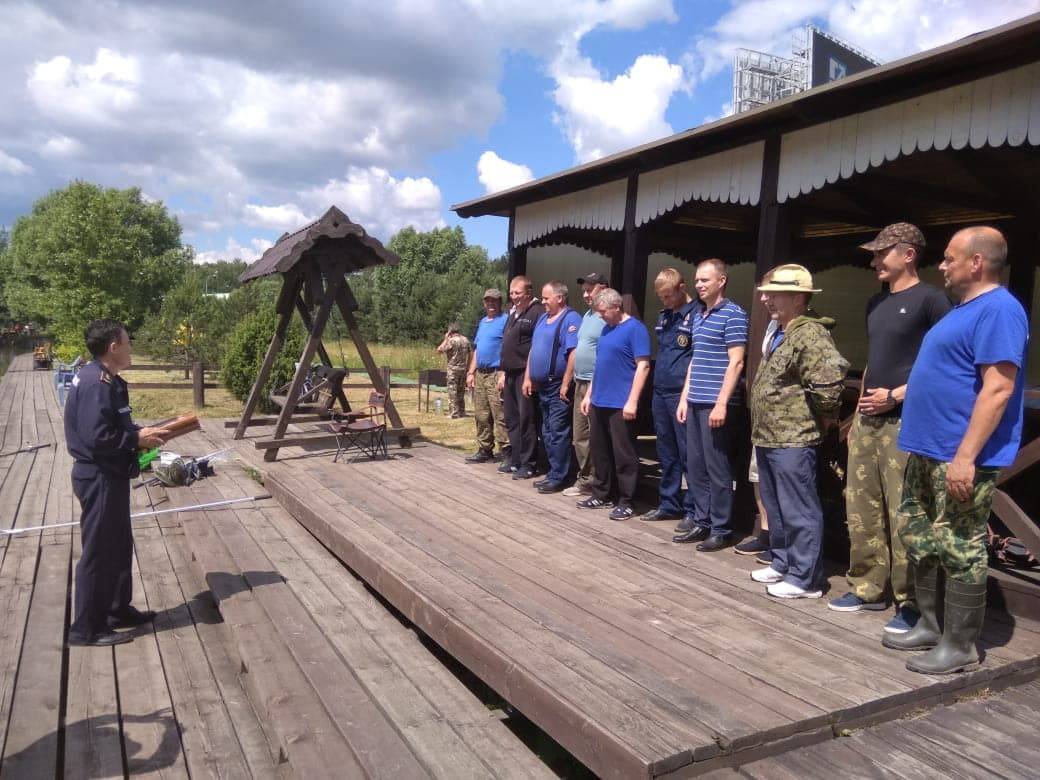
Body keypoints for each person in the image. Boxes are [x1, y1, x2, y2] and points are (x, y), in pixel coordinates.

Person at [884, 226, 1028, 675]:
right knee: (923, 538)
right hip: (928, 449)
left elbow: (998, 389)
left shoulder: (1001, 310)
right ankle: (930, 624)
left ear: (977, 262)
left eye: (949, 258)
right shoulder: (962, 310)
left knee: (961, 544)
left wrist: (966, 456)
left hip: (959, 455)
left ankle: (961, 644)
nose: (941, 265)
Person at [828, 224, 951, 634]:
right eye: (875, 254)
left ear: (908, 254)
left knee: (905, 512)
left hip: (906, 420)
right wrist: (858, 414)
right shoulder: (875, 303)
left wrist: (896, 395)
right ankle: (866, 587)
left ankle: (911, 602)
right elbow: (875, 360)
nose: (874, 261)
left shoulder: (933, 301)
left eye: (882, 253)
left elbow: (943, 365)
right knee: (861, 508)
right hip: (869, 420)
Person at [64, 319, 169, 646]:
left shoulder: (104, 378)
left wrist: (139, 435)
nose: (130, 346)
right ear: (114, 346)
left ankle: (116, 610)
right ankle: (87, 629)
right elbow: (98, 437)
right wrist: (136, 438)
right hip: (99, 476)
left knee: (119, 545)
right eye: (127, 341)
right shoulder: (97, 382)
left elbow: (112, 425)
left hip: (111, 474)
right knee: (99, 551)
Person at [749, 265, 849, 599]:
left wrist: (822, 419)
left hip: (793, 436)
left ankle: (805, 578)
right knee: (776, 505)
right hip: (769, 435)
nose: (766, 299)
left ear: (798, 298)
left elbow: (829, 381)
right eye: (767, 293)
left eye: (774, 294)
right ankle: (783, 562)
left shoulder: (810, 333)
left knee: (798, 507)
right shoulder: (781, 330)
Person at [673, 260, 749, 550]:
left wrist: (721, 404)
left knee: (717, 468)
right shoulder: (700, 315)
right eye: (697, 280)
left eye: (705, 280)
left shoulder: (733, 314)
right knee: (695, 466)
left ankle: (721, 527)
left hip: (715, 404)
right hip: (694, 402)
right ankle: (701, 520)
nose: (700, 285)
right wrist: (684, 397)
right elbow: (694, 361)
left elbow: (737, 361)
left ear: (722, 280)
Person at [579, 289, 651, 521]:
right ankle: (602, 493)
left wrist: (632, 401)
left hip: (621, 402)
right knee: (600, 451)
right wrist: (589, 394)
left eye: (603, 312)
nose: (600, 316)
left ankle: (626, 500)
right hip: (600, 399)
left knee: (624, 455)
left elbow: (643, 366)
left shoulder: (635, 329)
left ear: (616, 307)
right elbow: (600, 364)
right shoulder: (607, 329)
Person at [640, 268, 700, 525]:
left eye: (668, 296)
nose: (665, 301)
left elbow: (696, 357)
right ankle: (669, 502)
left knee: (687, 453)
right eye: (661, 297)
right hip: (661, 390)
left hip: (681, 393)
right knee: (666, 451)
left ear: (682, 288)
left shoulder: (697, 315)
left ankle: (692, 508)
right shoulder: (664, 317)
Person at [734, 271, 780, 560]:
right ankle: (764, 533)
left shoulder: (805, 328)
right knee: (757, 477)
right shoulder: (773, 326)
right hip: (763, 421)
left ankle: (780, 541)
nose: (763, 298)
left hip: (786, 426)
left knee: (780, 483)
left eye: (769, 293)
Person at [524, 282, 583, 493]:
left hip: (558, 385)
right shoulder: (542, 319)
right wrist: (528, 377)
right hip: (541, 386)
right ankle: (553, 471)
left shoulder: (571, 319)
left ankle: (560, 476)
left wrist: (566, 383)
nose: (543, 301)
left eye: (547, 297)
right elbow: (534, 349)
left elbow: (573, 353)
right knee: (546, 431)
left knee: (558, 431)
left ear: (560, 298)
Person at [560, 272, 609, 497]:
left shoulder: (606, 317)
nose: (587, 294)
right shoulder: (588, 316)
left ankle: (595, 481)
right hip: (580, 380)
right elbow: (577, 350)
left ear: (604, 288)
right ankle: (586, 478)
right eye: (584, 291)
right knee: (579, 435)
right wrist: (567, 380)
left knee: (595, 435)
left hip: (596, 382)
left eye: (591, 290)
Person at [498, 276, 545, 479]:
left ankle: (529, 463)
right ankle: (515, 459)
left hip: (524, 374)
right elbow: (505, 344)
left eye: (518, 293)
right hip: (509, 373)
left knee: (527, 419)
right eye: (511, 293)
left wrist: (529, 376)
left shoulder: (537, 313)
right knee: (512, 419)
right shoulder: (512, 313)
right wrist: (501, 372)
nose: (514, 296)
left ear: (528, 292)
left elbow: (536, 347)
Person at [465, 289, 509, 463]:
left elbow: (508, 347)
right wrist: (470, 372)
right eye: (488, 301)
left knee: (500, 414)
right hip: (480, 374)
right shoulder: (483, 322)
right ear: (484, 303)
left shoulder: (505, 320)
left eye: (494, 301)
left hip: (495, 372)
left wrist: (504, 372)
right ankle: (484, 448)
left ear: (500, 303)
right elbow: (477, 349)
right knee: (481, 414)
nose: (491, 304)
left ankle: (506, 450)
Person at [436, 323, 471, 418]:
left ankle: (454, 413)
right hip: (463, 369)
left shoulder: (451, 341)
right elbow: (470, 354)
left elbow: (439, 350)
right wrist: (468, 367)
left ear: (450, 331)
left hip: (453, 369)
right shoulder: (465, 340)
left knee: (452, 391)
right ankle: (461, 411)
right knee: (461, 391)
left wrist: (446, 338)